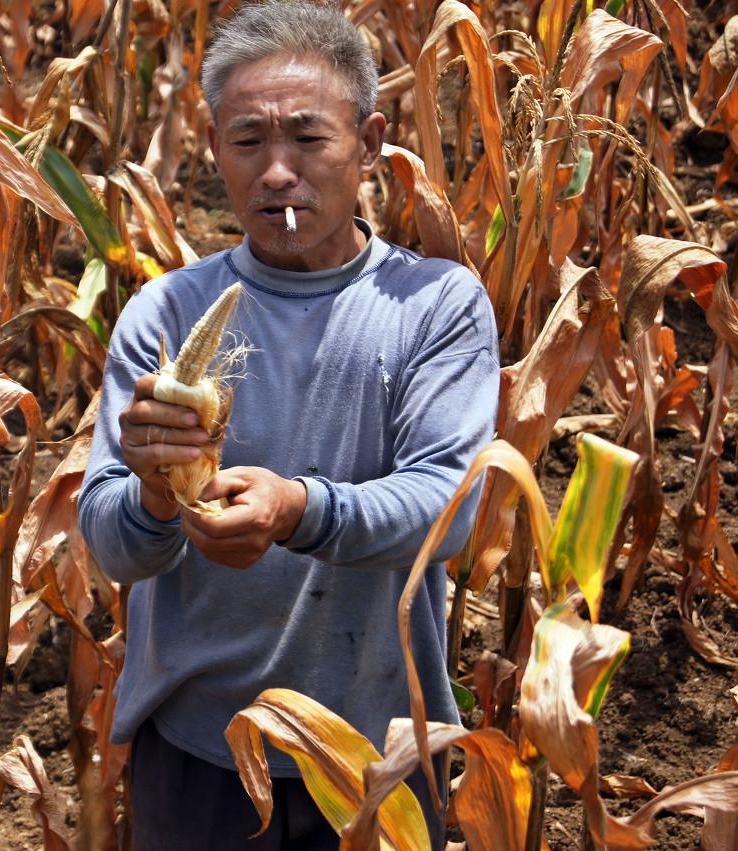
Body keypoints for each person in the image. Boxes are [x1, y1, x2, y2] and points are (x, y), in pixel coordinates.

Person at [76, 1, 500, 848]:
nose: (276, 172)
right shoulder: (166, 313)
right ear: (213, 148)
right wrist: (156, 499)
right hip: (199, 750)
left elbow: (449, 509)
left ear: (370, 143)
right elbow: (112, 546)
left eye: (308, 139)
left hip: (375, 753)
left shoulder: (434, 306)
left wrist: (295, 508)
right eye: (248, 141)